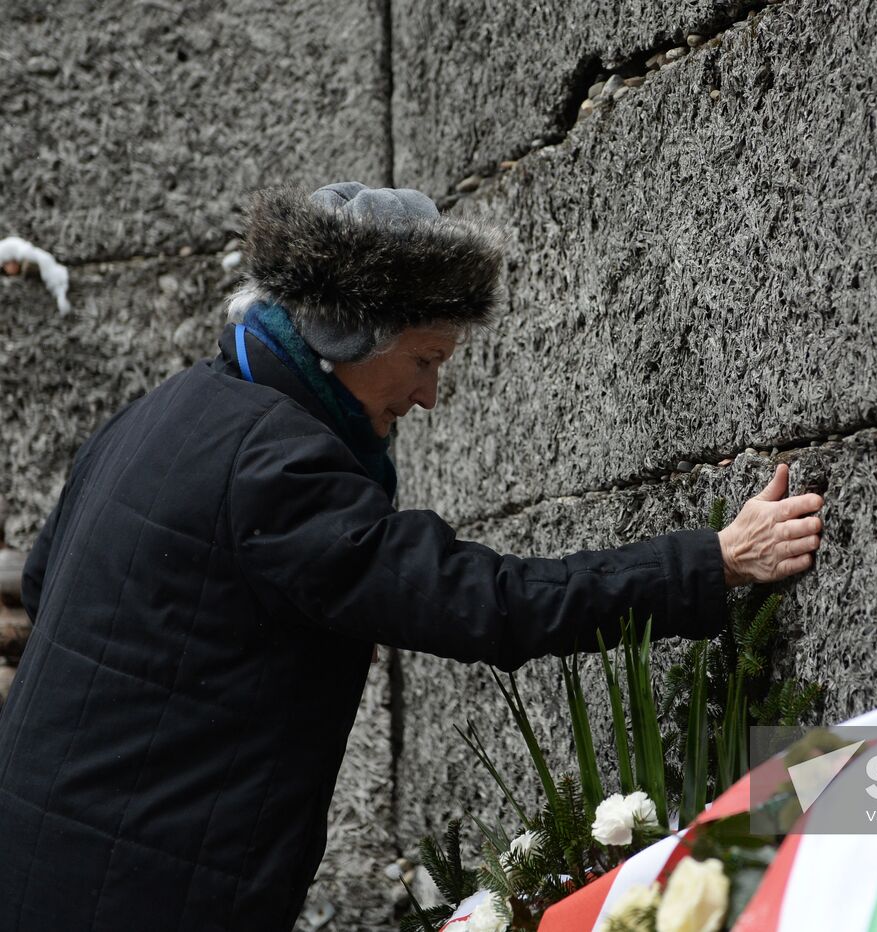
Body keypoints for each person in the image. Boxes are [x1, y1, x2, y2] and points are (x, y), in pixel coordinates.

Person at [0, 183, 824, 929]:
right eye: (426, 359)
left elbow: (44, 584)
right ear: (348, 337)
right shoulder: (277, 466)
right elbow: (481, 601)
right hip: (143, 892)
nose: (430, 394)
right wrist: (711, 562)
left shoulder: (165, 411)